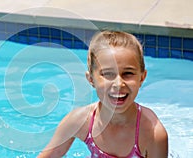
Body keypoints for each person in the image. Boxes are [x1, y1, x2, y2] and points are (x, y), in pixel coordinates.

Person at [37, 31, 168, 158]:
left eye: (128, 73)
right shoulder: (80, 121)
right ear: (91, 79)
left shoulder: (152, 134)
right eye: (107, 74)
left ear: (142, 77)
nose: (118, 84)